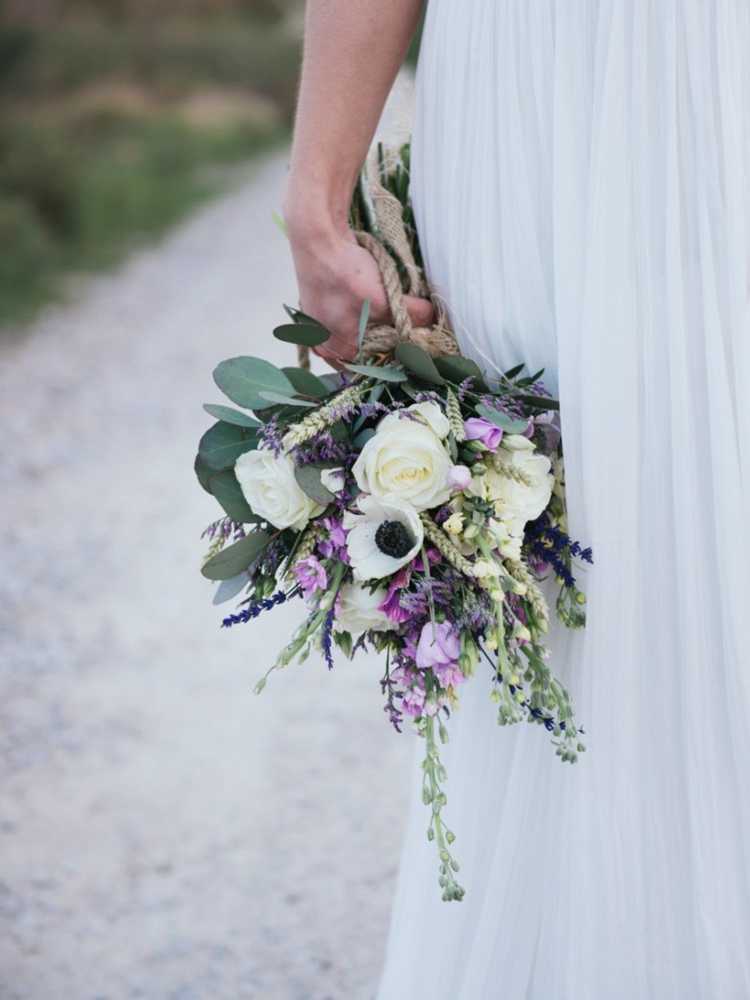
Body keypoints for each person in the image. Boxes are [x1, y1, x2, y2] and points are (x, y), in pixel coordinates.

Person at [283, 3, 750, 997]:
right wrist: (315, 202)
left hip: (565, 77)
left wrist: (318, 199)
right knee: (574, 530)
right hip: (552, 93)